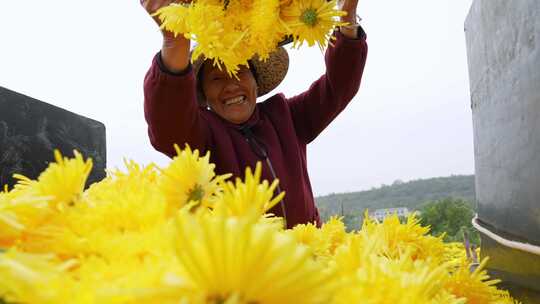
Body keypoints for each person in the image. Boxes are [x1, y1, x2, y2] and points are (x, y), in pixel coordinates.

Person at [141, 0, 368, 228]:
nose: (231, 86)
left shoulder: (287, 116)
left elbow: (339, 86)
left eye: (240, 71)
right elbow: (168, 123)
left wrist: (346, 18)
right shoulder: (201, 135)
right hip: (243, 261)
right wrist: (174, 41)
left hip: (308, 256)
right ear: (204, 95)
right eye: (216, 79)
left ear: (256, 82)